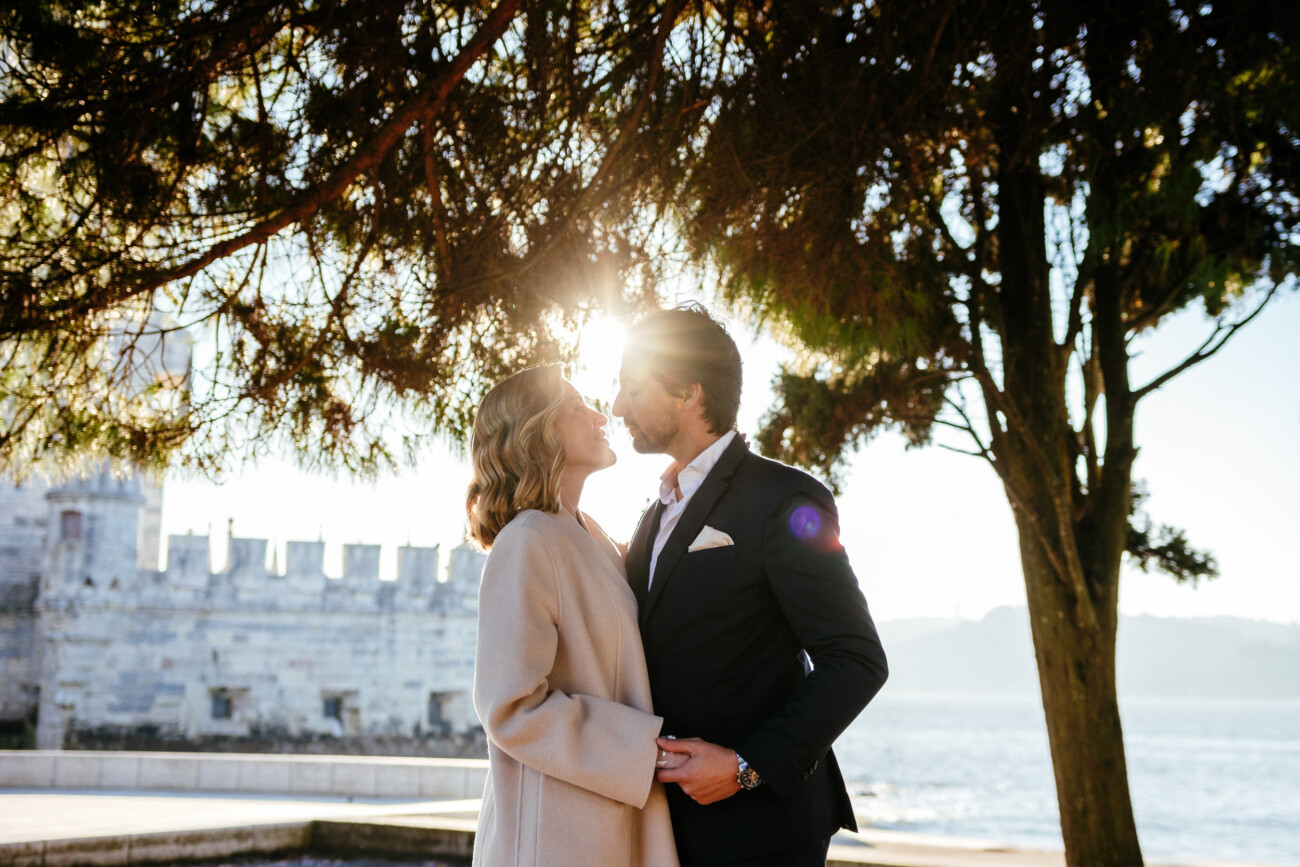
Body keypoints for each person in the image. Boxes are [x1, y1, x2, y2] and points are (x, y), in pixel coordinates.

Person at [613, 304, 889, 867]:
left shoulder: (783, 499)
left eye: (630, 387)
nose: (617, 407)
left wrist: (746, 765)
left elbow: (856, 658)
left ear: (688, 392)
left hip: (761, 832)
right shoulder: (655, 513)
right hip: (671, 828)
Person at [466, 365, 680, 867]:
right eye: (577, 407)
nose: (600, 415)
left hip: (605, 816)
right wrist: (646, 751)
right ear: (537, 432)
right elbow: (510, 707)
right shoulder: (527, 540)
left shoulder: (591, 536)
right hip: (555, 836)